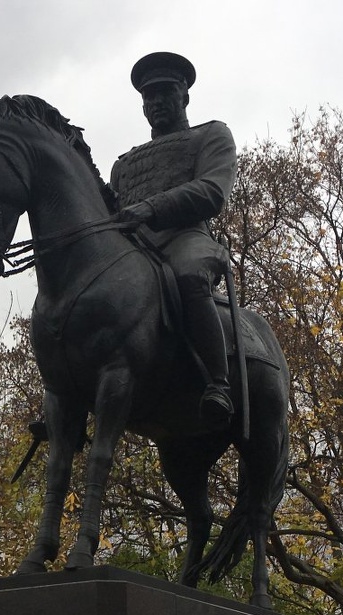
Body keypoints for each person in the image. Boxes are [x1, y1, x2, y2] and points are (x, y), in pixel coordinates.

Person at [110, 52, 238, 427]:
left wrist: (151, 208)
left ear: (184, 95)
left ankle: (219, 383)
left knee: (186, 275)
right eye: (149, 96)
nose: (157, 102)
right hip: (134, 248)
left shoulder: (211, 135)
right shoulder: (125, 162)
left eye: (165, 92)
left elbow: (212, 191)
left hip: (185, 237)